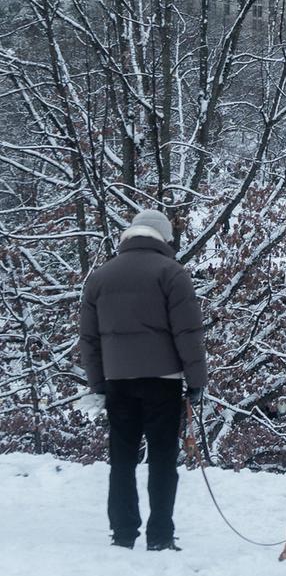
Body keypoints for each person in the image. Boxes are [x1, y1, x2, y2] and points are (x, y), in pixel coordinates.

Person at [79, 209, 207, 551]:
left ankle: (123, 533)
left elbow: (89, 339)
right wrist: (196, 381)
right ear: (163, 238)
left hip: (118, 379)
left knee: (121, 459)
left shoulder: (100, 277)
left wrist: (99, 383)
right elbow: (188, 333)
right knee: (163, 459)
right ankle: (160, 536)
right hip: (162, 380)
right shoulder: (172, 273)